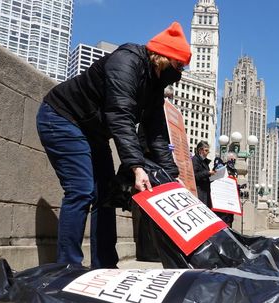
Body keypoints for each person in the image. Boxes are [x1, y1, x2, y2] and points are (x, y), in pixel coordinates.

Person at [36, 22, 190, 268]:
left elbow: (158, 135)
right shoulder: (126, 62)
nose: (180, 73)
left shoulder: (154, 86)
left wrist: (173, 178)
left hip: (93, 132)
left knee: (106, 195)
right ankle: (67, 268)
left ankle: (105, 265)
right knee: (81, 190)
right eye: (178, 65)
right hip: (62, 117)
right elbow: (119, 114)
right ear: (163, 57)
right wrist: (137, 167)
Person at [212, 152, 238, 226]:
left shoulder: (235, 171)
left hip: (231, 199)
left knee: (230, 220)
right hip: (221, 199)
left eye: (234, 160)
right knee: (222, 219)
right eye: (231, 159)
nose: (233, 161)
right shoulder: (222, 167)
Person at [192, 141, 214, 206]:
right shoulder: (195, 160)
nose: (207, 153)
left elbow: (205, 176)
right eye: (206, 150)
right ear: (200, 150)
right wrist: (208, 173)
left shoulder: (204, 161)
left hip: (205, 192)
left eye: (208, 151)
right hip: (199, 191)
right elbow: (195, 176)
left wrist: (213, 176)